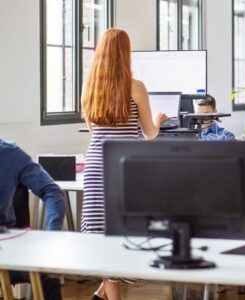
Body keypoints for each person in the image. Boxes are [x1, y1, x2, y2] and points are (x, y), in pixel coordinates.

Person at [81, 28, 169, 300]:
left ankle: (101, 294)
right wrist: (158, 122)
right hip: (123, 168)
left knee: (103, 234)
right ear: (125, 53)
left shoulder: (90, 88)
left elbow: (94, 132)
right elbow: (149, 133)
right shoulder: (136, 87)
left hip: (95, 167)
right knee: (120, 235)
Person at [0, 139, 64, 300]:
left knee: (49, 274)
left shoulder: (10, 154)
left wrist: (52, 235)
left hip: (8, 246)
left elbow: (51, 191)